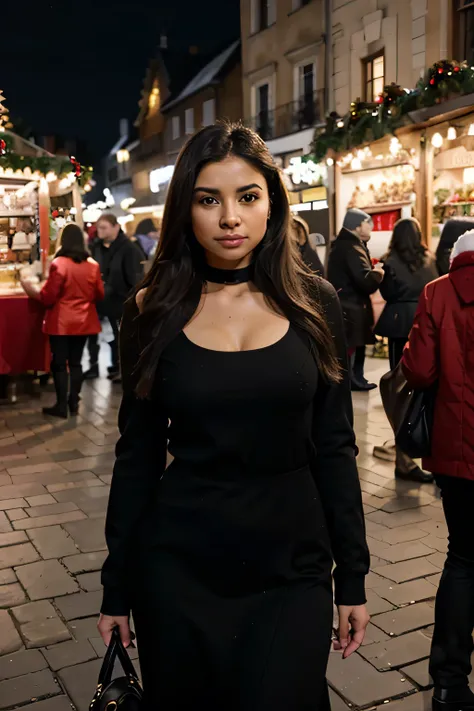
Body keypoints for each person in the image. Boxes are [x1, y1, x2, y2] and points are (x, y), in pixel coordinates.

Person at [98, 122, 370, 710]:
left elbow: (336, 446)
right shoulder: (150, 310)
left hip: (291, 563)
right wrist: (116, 585)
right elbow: (137, 455)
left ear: (271, 201)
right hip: (181, 567)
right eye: (208, 199)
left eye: (247, 196)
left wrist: (352, 573)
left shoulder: (315, 301)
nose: (230, 217)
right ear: (185, 210)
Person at [402, 230, 474, 711]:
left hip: (457, 448)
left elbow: (420, 372)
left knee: (464, 559)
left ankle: (449, 682)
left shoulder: (438, 291)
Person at [374, 218, 438, 483]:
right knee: (429, 388)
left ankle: (404, 451)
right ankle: (426, 449)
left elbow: (387, 293)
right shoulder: (430, 259)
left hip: (399, 324)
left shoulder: (390, 261)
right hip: (426, 324)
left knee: (399, 390)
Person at [20, 224, 104, 418]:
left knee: (59, 363)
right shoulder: (92, 265)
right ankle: (74, 402)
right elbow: (99, 294)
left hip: (61, 322)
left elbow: (48, 297)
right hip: (84, 321)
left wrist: (29, 288)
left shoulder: (60, 264)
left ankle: (61, 406)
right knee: (76, 362)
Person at [327, 208, 385, 391]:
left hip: (346, 305)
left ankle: (355, 378)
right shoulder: (351, 247)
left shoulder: (344, 245)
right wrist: (378, 273)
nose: (370, 229)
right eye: (369, 224)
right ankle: (353, 380)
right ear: (359, 225)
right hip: (351, 307)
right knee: (352, 347)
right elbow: (365, 281)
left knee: (351, 346)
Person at [84, 214, 143, 382]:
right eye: (99, 228)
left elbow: (135, 278)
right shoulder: (97, 247)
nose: (100, 231)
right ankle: (100, 366)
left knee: (120, 337)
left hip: (120, 301)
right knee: (100, 335)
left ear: (116, 227)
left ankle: (121, 368)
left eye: (104, 228)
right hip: (101, 300)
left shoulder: (129, 249)